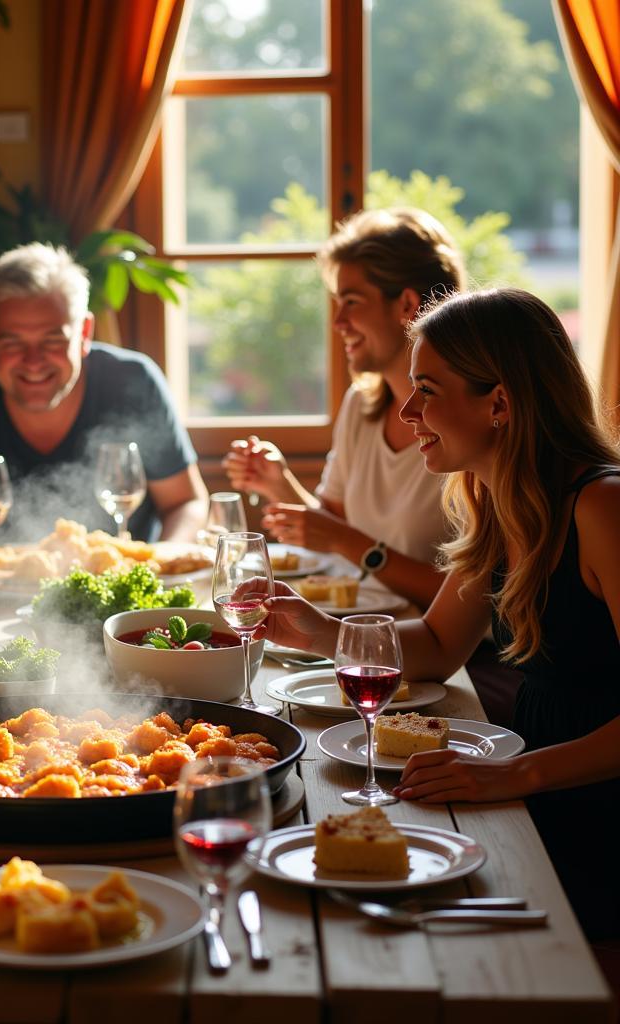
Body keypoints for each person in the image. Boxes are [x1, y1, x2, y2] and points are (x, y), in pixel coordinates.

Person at [260, 287, 620, 942]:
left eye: (427, 390)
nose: (407, 409)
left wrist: (517, 772)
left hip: (597, 804)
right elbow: (435, 643)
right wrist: (317, 630)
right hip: (536, 779)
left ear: (500, 404)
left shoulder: (601, 508)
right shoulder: (497, 502)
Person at [224, 207, 465, 609]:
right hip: (360, 628)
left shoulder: (466, 421)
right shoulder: (361, 407)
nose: (337, 321)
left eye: (351, 301)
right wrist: (278, 485)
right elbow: (334, 528)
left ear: (407, 304)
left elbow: (475, 602)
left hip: (450, 656)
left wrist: (347, 542)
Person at [0, 242, 208, 544]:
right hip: (0, 587)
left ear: (84, 334)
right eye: (13, 342)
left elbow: (185, 503)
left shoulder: (132, 382)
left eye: (52, 340)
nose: (33, 361)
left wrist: (160, 564)